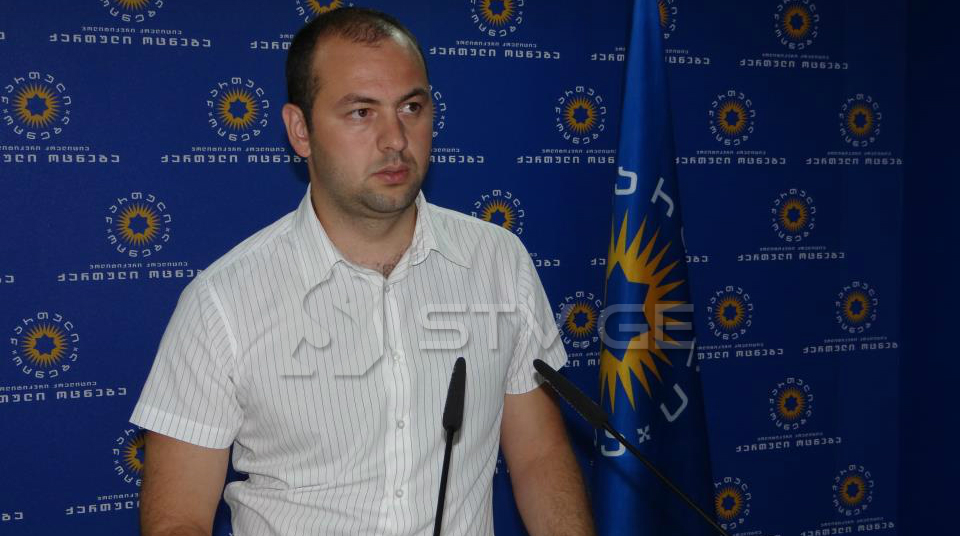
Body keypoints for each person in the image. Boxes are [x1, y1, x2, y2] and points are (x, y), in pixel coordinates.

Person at [131, 7, 594, 536]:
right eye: (361, 112)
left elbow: (539, 457)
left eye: (411, 107)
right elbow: (179, 519)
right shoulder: (221, 301)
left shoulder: (499, 261)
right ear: (300, 130)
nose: (394, 139)